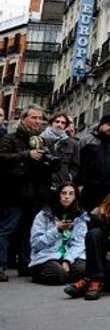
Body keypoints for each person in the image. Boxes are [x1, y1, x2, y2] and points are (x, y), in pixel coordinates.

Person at [0, 104, 54, 278]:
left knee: (28, 231)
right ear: (24, 119)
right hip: (14, 193)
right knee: (7, 229)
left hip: (35, 195)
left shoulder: (42, 141)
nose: (38, 121)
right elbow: (2, 158)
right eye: (34, 117)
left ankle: (26, 265)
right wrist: (26, 155)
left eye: (40, 118)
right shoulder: (10, 138)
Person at [65, 189, 110, 300]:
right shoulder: (96, 217)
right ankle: (95, 281)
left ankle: (89, 281)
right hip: (100, 260)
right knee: (94, 234)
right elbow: (93, 247)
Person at [28, 181, 87, 285]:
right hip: (47, 256)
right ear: (58, 195)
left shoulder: (80, 217)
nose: (67, 197)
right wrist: (57, 230)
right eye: (64, 193)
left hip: (69, 255)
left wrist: (68, 260)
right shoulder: (44, 215)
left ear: (75, 197)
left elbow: (79, 243)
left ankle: (66, 275)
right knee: (58, 274)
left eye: (71, 194)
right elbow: (36, 243)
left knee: (83, 269)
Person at [42, 112, 80, 191]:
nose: (59, 124)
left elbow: (75, 165)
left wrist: (69, 177)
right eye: (57, 121)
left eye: (63, 123)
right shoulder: (41, 138)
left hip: (61, 185)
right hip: (42, 183)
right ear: (51, 123)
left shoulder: (72, 144)